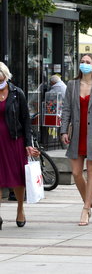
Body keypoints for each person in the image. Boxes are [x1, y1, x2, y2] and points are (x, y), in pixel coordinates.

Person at [60, 54, 92, 226]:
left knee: (91, 171)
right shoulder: (72, 85)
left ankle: (86, 209)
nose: (84, 64)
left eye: (88, 62)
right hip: (76, 134)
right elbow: (66, 109)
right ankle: (88, 199)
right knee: (75, 172)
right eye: (82, 62)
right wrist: (63, 130)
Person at [0, 62, 39, 229]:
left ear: (4, 75)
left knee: (17, 178)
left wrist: (28, 143)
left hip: (14, 140)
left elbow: (26, 120)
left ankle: (20, 208)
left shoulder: (17, 93)